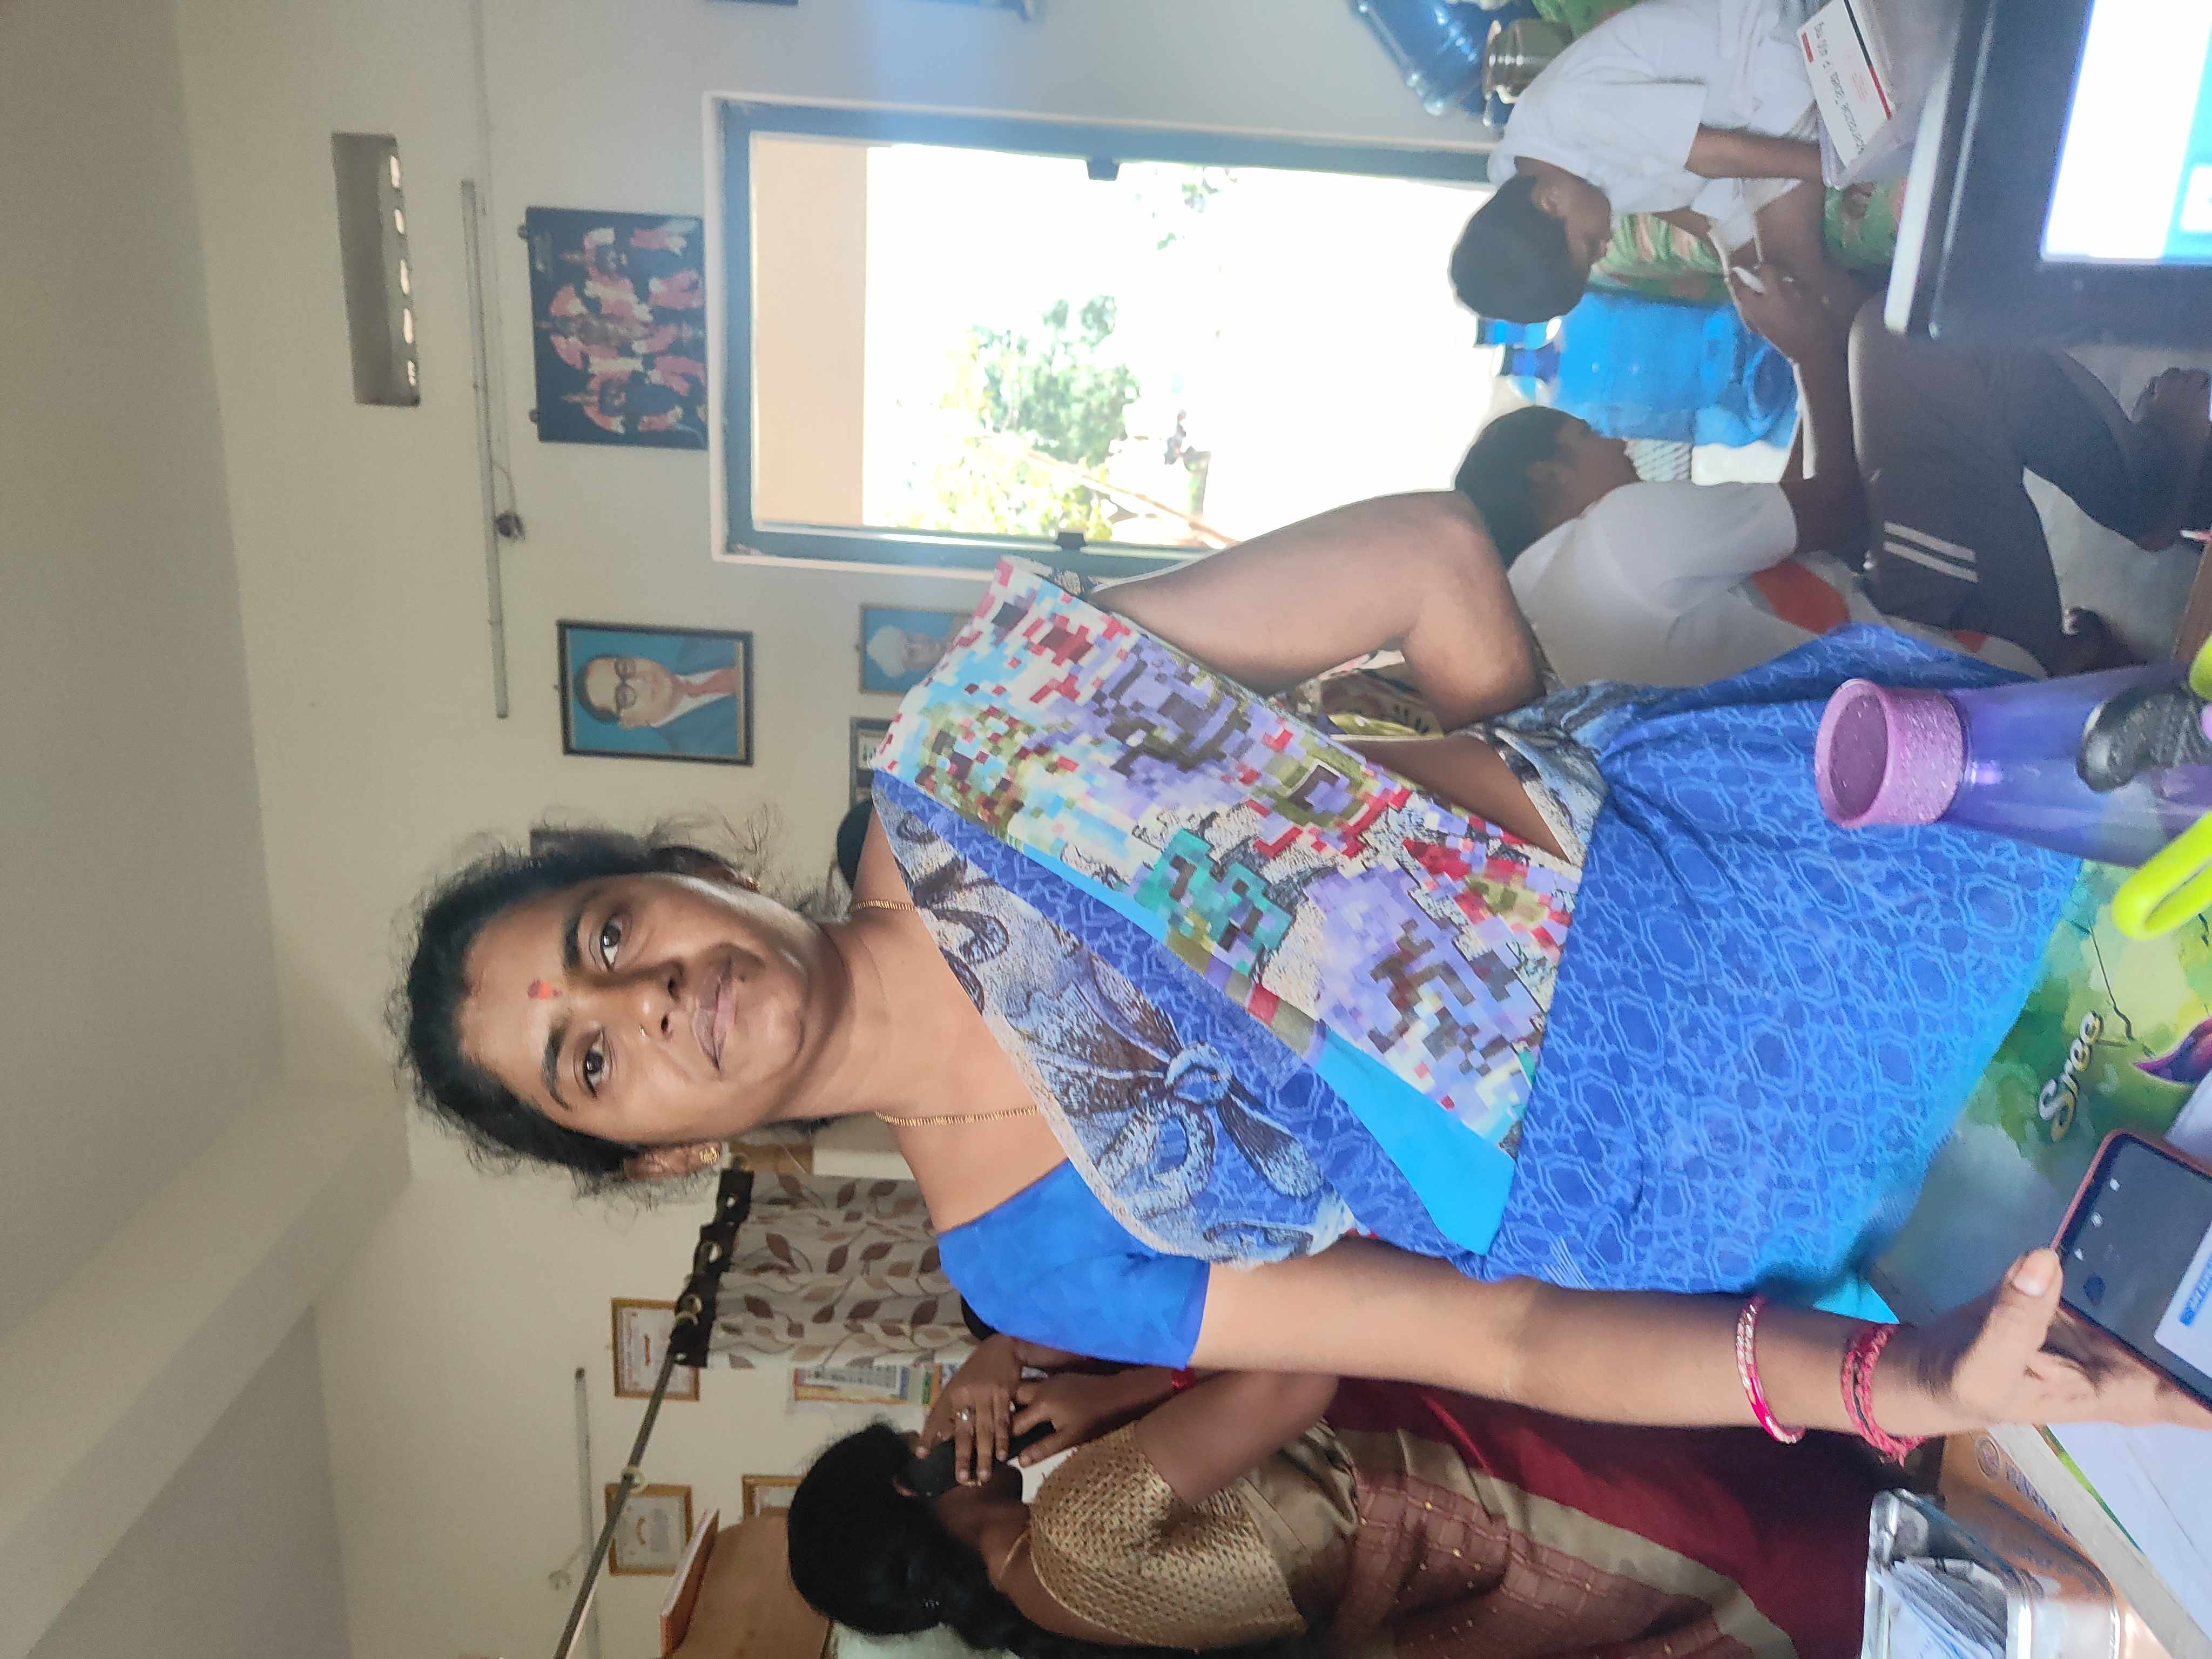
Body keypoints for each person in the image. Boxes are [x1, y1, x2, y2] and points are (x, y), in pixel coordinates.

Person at [397, 486, 2212, 1444]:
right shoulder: (1024, 1260)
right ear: (665, 1155)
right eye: (590, 1062)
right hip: (1802, 1209)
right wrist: (1893, 1387)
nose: (645, 1000)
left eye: (608, 936)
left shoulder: (981, 742)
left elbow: (1423, 555)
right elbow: (1502, 1334)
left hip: (1801, 880)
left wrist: (1534, 803)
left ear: (686, 874)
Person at [789, 1347, 1884, 1659]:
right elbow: (1292, 1374)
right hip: (1466, 1496)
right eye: (921, 1439)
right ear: (907, 1482)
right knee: (1752, 1515)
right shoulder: (1072, 1528)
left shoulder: (1048, 1598)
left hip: (1449, 1572)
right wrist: (1102, 1391)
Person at [1459, 272, 2207, 684]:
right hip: (1956, 668)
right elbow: (1837, 510)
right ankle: (2150, 491)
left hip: (1906, 718)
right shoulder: (1616, 542)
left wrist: (1806, 362)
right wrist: (1817, 352)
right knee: (1900, 334)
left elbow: (1785, 532)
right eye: (1590, 437)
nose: (1620, 445)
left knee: (1867, 374)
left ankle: (2054, 665)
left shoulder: (1557, 631)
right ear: (1546, 474)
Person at [1450, 0, 1856, 325]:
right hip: (1733, 119)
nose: (1604, 247)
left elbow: (1714, 153)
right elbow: (1670, 200)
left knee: (1794, 276)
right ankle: (1855, 354)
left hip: (1762, 53)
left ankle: (1864, 349)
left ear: (1550, 201)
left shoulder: (1568, 115)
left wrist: (1837, 168)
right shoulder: (1539, 178)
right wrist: (1732, 259)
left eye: (1590, 246)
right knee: (1763, 295)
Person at [572, 644, 741, 754]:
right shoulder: (702, 753)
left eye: (624, 668)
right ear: (630, 723)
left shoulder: (700, 643)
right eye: (624, 696)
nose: (640, 681)